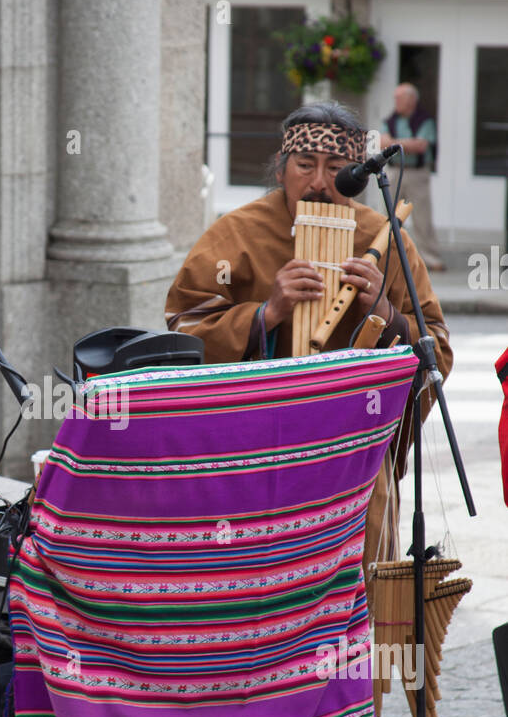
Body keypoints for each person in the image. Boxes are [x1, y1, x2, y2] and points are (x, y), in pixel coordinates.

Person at [165, 101, 452, 582]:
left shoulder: (384, 238)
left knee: (357, 600)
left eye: (337, 170)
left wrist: (381, 312)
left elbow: (437, 349)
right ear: (281, 169)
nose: (319, 183)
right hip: (254, 455)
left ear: (358, 177)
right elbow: (184, 328)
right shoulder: (237, 233)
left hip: (357, 459)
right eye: (305, 166)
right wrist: (266, 314)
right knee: (258, 591)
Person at [381, 82, 444, 272]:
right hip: (394, 170)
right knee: (387, 214)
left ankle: (430, 257)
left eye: (399, 97)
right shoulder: (391, 120)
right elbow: (382, 142)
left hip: (417, 173)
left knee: (422, 216)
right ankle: (387, 253)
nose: (396, 101)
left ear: (411, 100)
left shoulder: (424, 120)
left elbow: (421, 146)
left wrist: (394, 143)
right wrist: (404, 143)